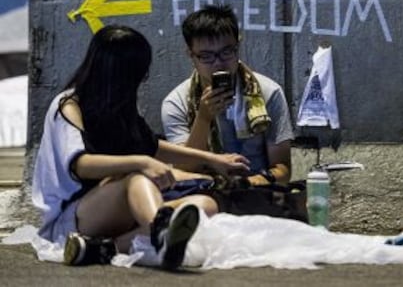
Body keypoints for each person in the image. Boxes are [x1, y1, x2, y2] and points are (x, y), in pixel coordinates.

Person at [32, 25, 249, 270]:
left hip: (112, 216)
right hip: (72, 217)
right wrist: (140, 162)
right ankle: (161, 235)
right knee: (136, 179)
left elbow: (152, 146)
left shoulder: (118, 106)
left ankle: (103, 248)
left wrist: (213, 160)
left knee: (205, 205)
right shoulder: (68, 105)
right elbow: (81, 165)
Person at [162, 4, 294, 187]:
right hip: (204, 189)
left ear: (237, 47)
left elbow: (283, 169)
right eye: (206, 56)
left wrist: (248, 183)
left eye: (226, 52)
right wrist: (203, 119)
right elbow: (184, 169)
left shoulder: (268, 92)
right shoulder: (176, 102)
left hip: (257, 189)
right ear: (191, 55)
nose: (218, 63)